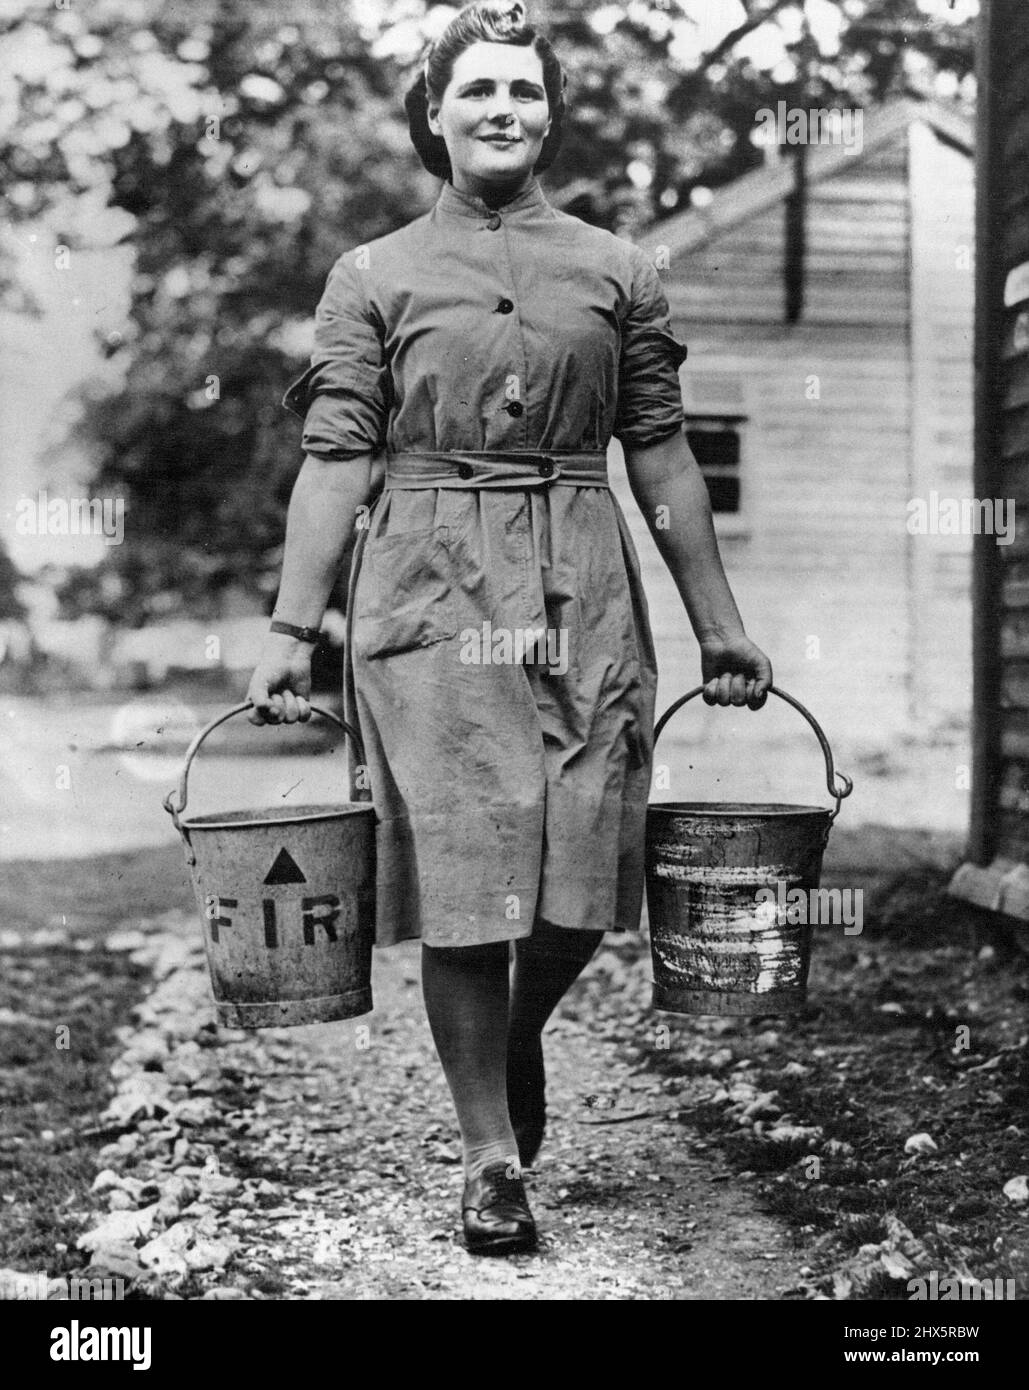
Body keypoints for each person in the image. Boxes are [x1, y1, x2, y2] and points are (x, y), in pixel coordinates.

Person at [246, 0, 772, 1256]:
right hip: (426, 587)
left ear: (549, 115)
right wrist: (287, 627)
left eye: (525, 94)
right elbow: (333, 464)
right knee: (470, 872)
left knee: (585, 870)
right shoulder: (370, 276)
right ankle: (491, 1155)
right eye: (477, 91)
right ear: (435, 114)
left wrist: (720, 626)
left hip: (581, 579)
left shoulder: (619, 268)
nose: (502, 111)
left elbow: (662, 453)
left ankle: (512, 1034)